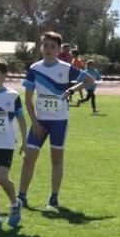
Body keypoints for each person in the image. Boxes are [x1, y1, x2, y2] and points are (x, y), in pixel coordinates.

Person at [18, 31, 93, 209]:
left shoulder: (66, 68)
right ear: (41, 47)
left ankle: (53, 197)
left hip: (60, 121)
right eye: (45, 46)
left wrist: (72, 90)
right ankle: (21, 196)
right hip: (40, 121)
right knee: (29, 158)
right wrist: (35, 121)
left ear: (59, 49)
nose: (48, 49)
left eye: (53, 46)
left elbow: (89, 80)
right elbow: (28, 100)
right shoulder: (35, 69)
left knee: (56, 159)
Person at [0, 58, 27, 231]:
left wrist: (25, 141)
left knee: (2, 178)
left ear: (4, 75)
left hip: (5, 143)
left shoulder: (12, 96)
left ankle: (14, 203)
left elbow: (21, 119)